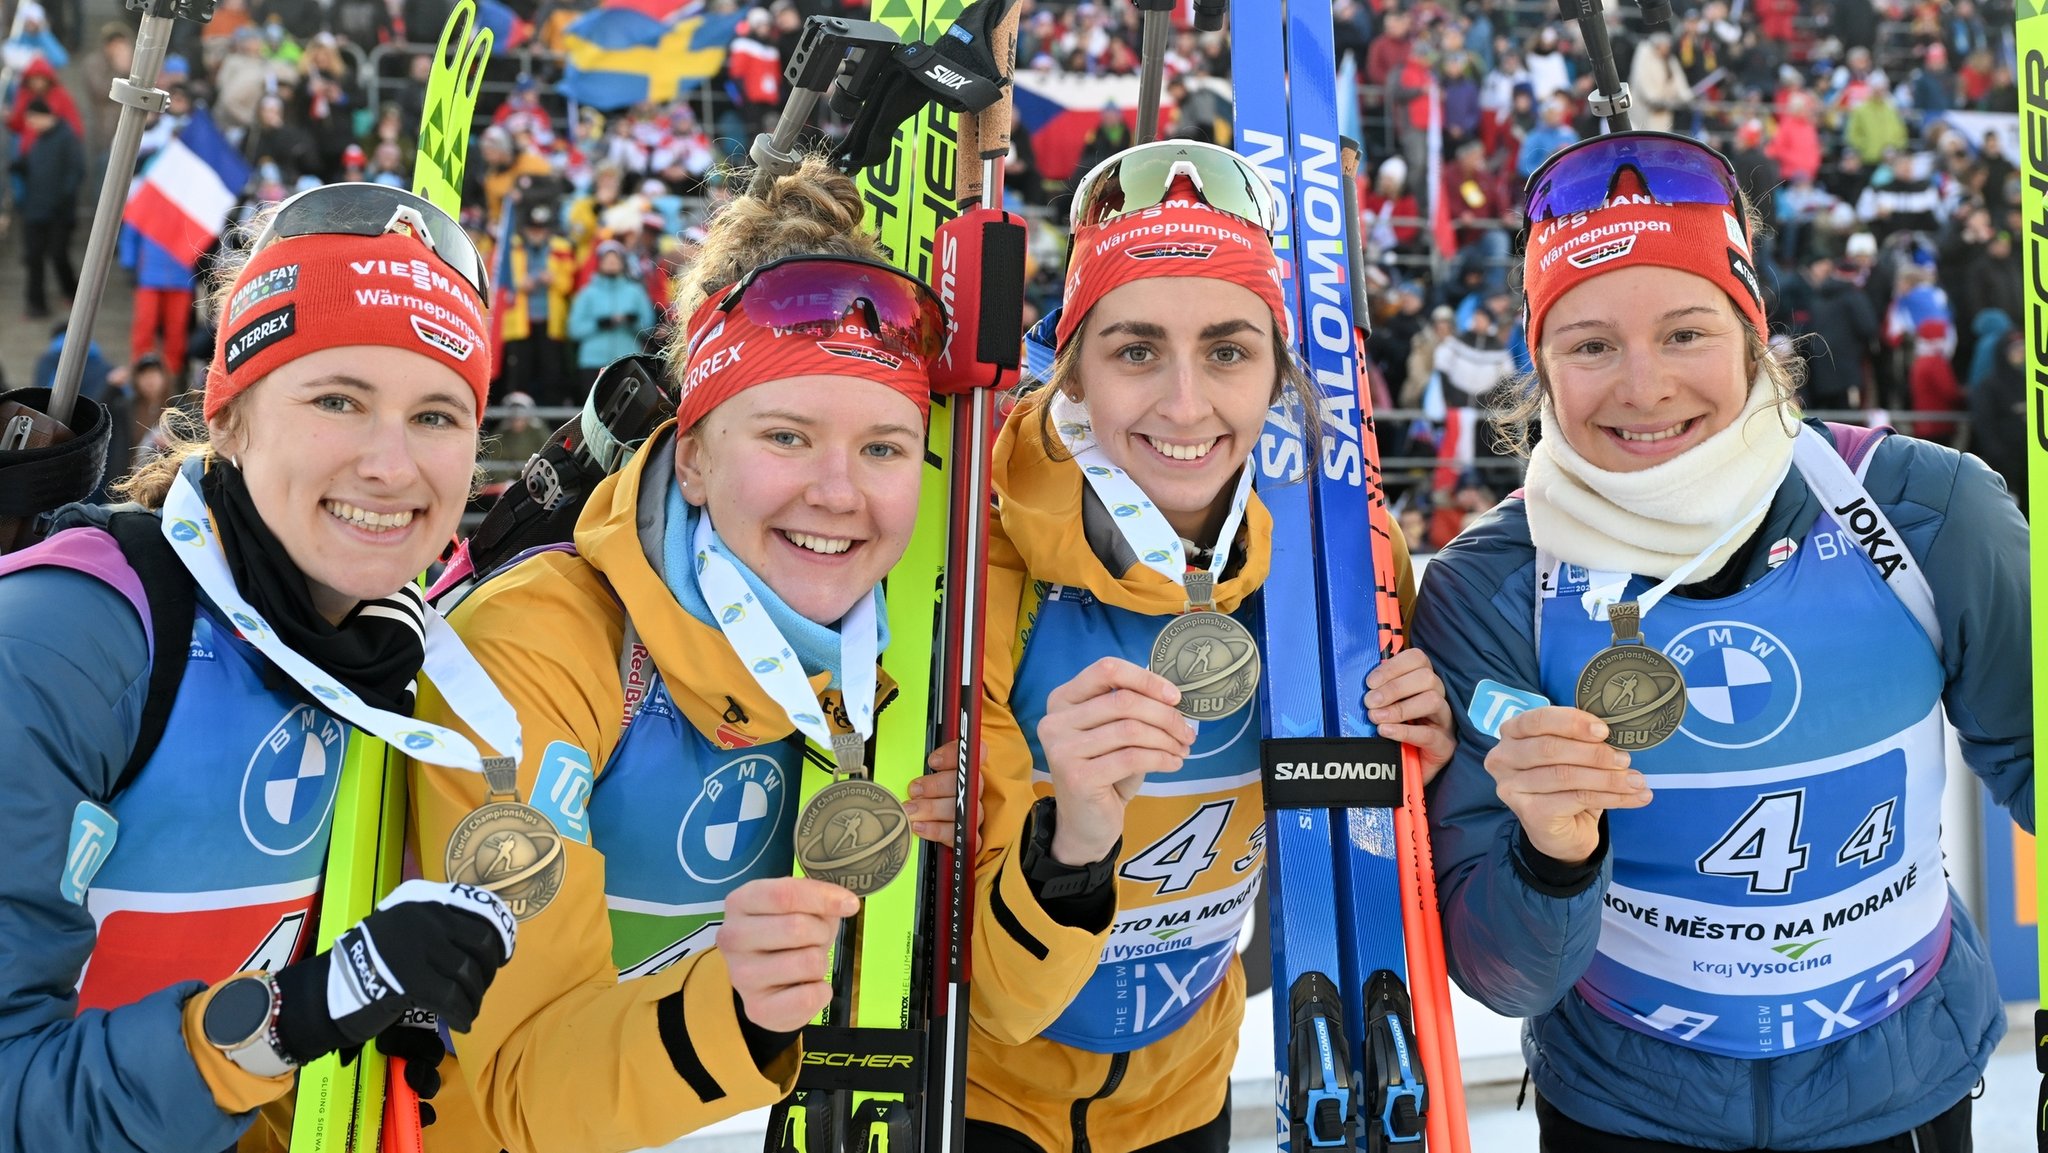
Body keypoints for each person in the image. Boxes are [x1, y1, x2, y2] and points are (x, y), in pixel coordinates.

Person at [1411, 130, 2030, 1152]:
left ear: (1751, 334)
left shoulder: (1928, 513)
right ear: (1539, 367)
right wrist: (1552, 859)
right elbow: (1501, 974)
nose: (1643, 387)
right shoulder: (1494, 583)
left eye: (1686, 332)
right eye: (1589, 344)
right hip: (1623, 1109)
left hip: (1895, 1096)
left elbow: (2032, 763)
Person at [405, 155, 958, 1153]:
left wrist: (1059, 853)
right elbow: (503, 1087)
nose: (840, 493)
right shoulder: (541, 645)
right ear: (692, 454)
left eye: (882, 448)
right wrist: (732, 1009)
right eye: (787, 436)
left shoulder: (910, 643)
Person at [0, 182, 521, 1152]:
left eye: (438, 417)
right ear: (230, 416)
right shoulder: (68, 641)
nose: (390, 465)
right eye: (338, 399)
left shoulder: (390, 651)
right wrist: (294, 1017)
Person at [961, 140, 1455, 1152]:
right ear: (1071, 365)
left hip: (1190, 1088)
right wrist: (1072, 842)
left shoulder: (1341, 555)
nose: (1184, 406)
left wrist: (1419, 768)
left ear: (1276, 367)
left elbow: (1359, 859)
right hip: (980, 1096)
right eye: (1135, 350)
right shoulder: (979, 554)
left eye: (1227, 351)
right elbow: (999, 1003)